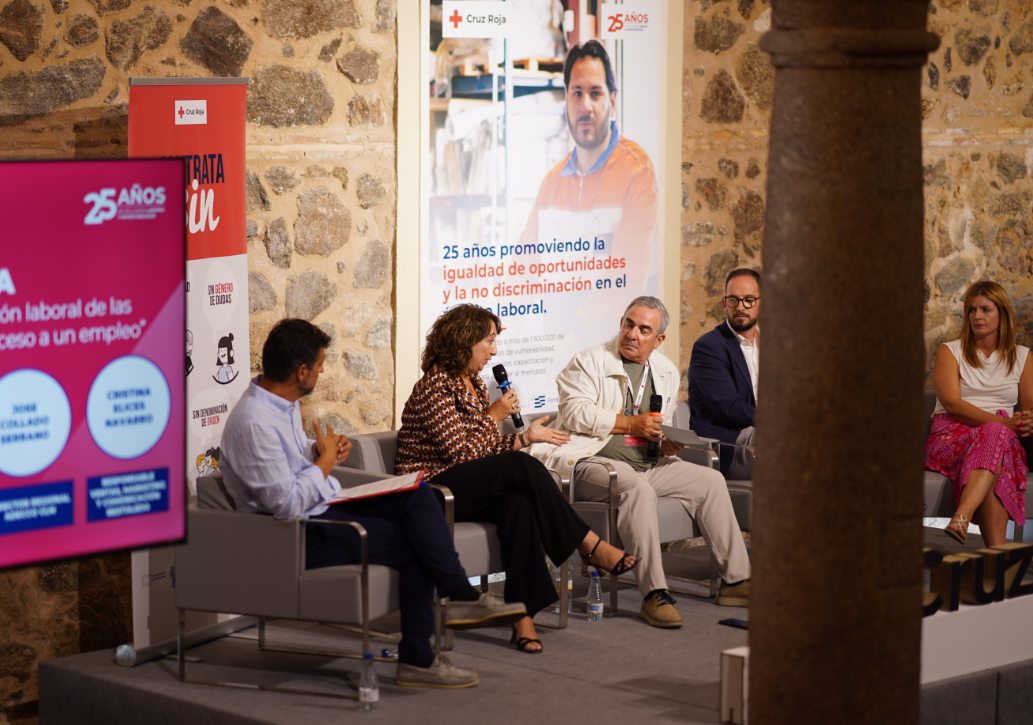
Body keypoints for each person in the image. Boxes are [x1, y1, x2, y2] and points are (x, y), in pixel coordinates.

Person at [220, 319, 526, 688]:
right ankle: (421, 654)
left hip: (323, 507)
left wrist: (316, 451)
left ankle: (458, 598)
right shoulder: (254, 423)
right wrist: (325, 463)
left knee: (419, 494)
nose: (321, 372)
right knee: (416, 539)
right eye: (319, 365)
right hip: (293, 535)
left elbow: (288, 465)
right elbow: (286, 505)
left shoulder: (279, 404)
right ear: (301, 371)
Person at [395, 304, 638, 654]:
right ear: (464, 341)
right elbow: (459, 453)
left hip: (463, 486)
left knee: (519, 506)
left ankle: (522, 617)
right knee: (519, 467)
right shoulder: (435, 385)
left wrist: (524, 437)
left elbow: (482, 449)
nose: (494, 351)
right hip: (430, 492)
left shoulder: (474, 384)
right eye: (489, 341)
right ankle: (588, 545)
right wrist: (494, 416)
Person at [529, 296, 752, 628]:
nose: (632, 334)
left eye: (643, 330)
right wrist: (631, 424)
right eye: (628, 325)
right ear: (621, 323)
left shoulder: (664, 370)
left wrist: (667, 444)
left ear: (658, 339)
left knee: (710, 480)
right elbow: (575, 413)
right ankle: (654, 593)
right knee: (636, 489)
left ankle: (736, 580)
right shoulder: (588, 361)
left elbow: (660, 425)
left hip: (649, 464)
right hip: (591, 461)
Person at [517, 39, 658, 321]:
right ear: (566, 100)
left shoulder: (636, 172)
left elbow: (626, 284)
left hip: (609, 343)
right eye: (577, 93)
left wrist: (573, 339)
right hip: (553, 338)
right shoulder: (552, 183)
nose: (585, 105)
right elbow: (522, 270)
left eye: (595, 93)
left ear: (612, 101)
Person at [926, 280, 1032, 546]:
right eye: (972, 310)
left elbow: (1029, 410)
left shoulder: (1022, 357)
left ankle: (965, 523)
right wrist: (1003, 424)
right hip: (951, 437)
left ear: (1002, 314)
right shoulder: (950, 351)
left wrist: (1027, 422)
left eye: (985, 309)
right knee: (998, 439)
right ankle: (998, 558)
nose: (977, 316)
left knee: (998, 446)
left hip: (1000, 440)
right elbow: (952, 405)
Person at [687, 268, 761, 479]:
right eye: (733, 300)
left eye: (749, 300)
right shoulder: (708, 347)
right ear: (723, 303)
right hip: (729, 443)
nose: (740, 307)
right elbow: (731, 408)